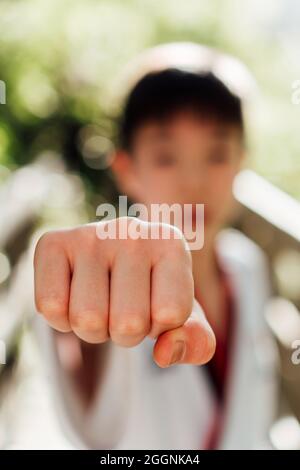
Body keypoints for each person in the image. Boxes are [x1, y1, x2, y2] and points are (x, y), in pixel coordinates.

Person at [33, 44, 277, 449]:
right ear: (127, 170)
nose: (194, 182)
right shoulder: (108, 283)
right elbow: (76, 334)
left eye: (217, 154)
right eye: (166, 157)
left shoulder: (248, 265)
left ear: (241, 162)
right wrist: (79, 274)